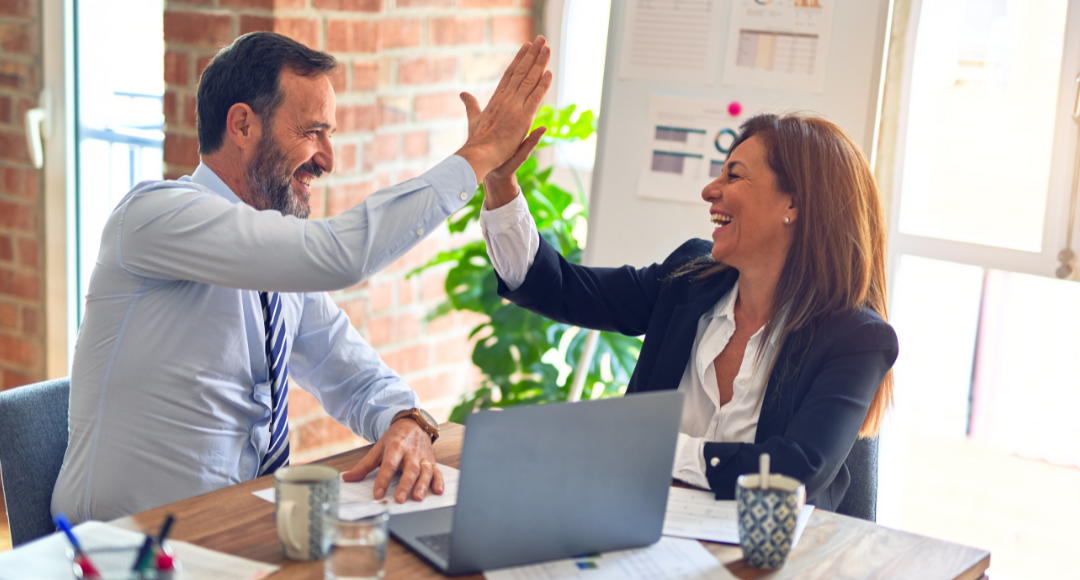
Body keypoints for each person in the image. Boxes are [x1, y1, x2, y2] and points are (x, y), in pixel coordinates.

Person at [52, 31, 553, 523]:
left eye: (329, 135)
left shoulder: (276, 264)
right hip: (120, 555)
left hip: (235, 535)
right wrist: (479, 156)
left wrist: (406, 420)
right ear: (243, 126)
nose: (328, 159)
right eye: (313, 131)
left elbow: (351, 372)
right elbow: (341, 255)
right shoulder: (154, 216)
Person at [479, 113, 898, 511]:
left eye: (733, 175)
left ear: (793, 204)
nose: (710, 190)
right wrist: (501, 184)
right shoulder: (689, 280)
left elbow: (793, 473)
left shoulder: (856, 338)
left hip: (769, 568)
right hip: (642, 533)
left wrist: (653, 448)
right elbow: (560, 288)